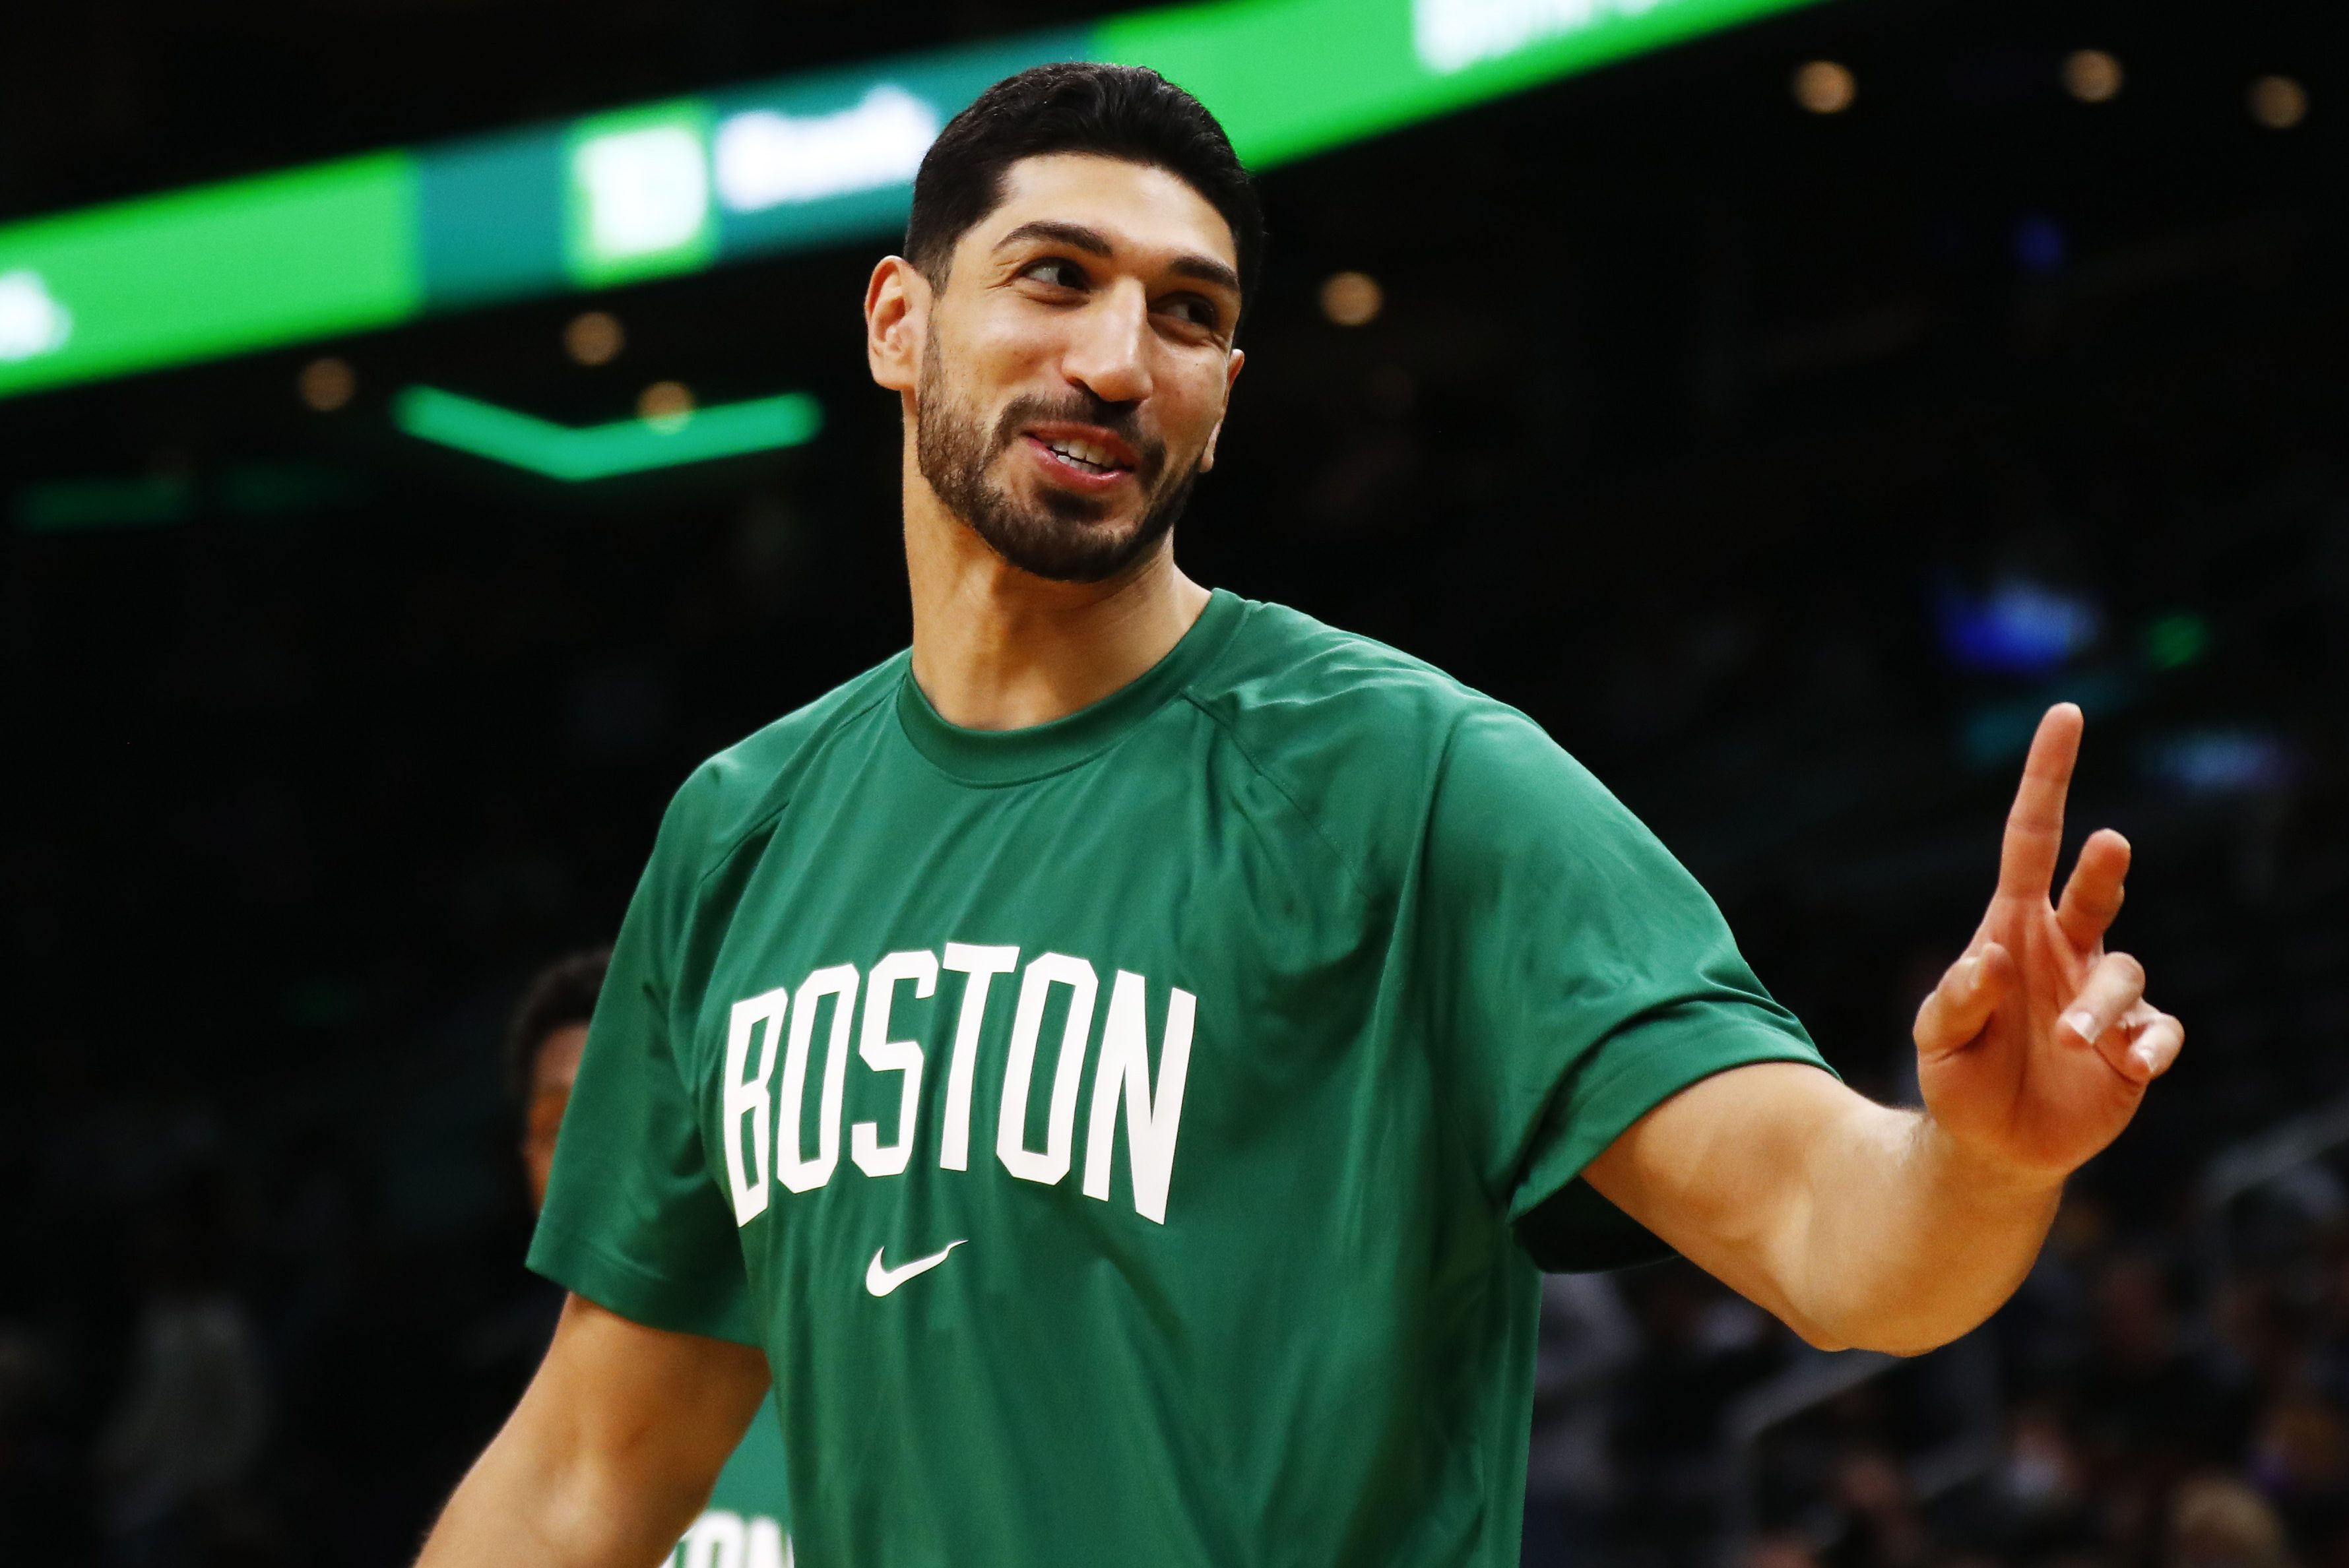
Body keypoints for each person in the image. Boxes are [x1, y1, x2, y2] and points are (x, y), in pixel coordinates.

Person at [418, 61, 2185, 1567]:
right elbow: (589, 1471)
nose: (1121, 360)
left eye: (1188, 316)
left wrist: (1978, 1165)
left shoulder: (1414, 783)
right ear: (901, 321)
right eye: (1057, 278)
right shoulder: (742, 834)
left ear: (1228, 394)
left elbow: (1826, 1229)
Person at [506, 951, 791, 1567]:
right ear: (527, 1156)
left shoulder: (824, 1374)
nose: (590, 1158)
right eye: (559, 1127)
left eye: (620, 1115)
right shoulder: (517, 1439)